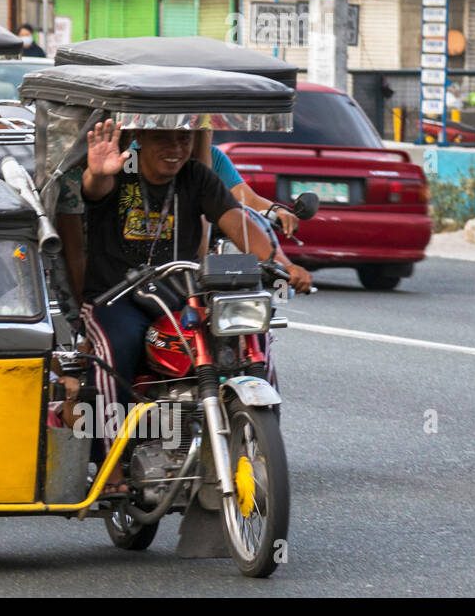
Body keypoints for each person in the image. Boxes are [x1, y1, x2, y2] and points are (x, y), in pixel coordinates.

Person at [78, 121, 311, 484]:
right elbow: (96, 189)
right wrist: (96, 173)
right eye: (162, 138)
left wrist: (282, 265)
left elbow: (238, 222)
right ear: (141, 139)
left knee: (249, 338)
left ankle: (258, 445)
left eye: (183, 138)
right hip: (115, 296)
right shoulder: (121, 168)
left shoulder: (197, 176)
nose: (175, 147)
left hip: (178, 293)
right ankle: (111, 465)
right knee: (116, 349)